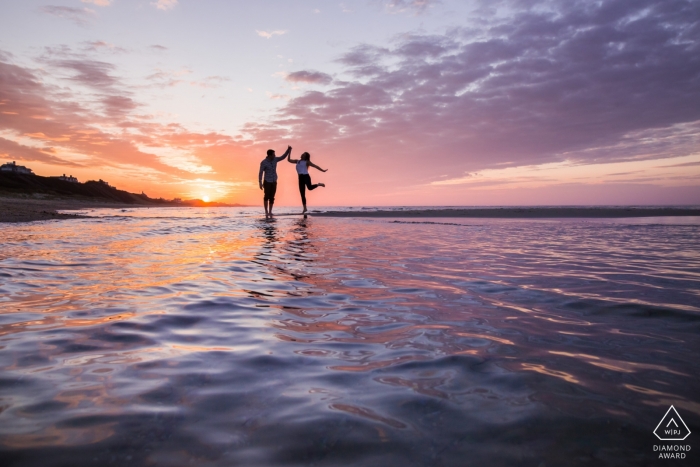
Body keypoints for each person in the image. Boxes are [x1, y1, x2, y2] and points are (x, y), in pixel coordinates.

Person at [259, 146, 291, 218]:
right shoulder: (263, 162)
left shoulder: (275, 160)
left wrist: (288, 150)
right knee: (266, 196)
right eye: (273, 154)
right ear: (269, 155)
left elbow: (283, 157)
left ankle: (270, 212)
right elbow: (261, 173)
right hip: (267, 181)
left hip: (274, 180)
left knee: (272, 197)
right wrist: (260, 182)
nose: (275, 155)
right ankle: (266, 212)